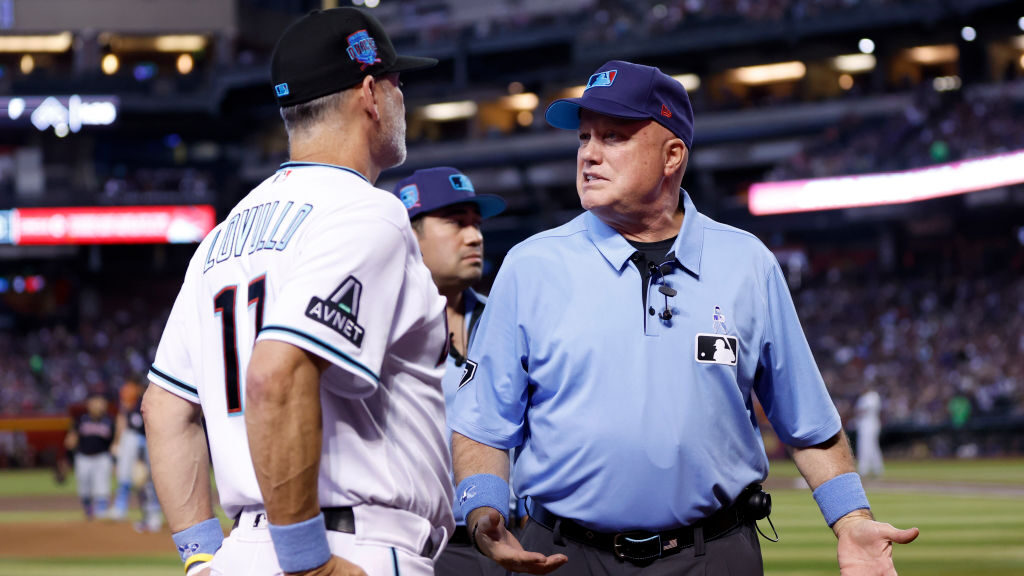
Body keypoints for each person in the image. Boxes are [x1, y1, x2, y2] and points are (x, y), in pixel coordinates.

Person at [448, 60, 919, 575]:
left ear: (672, 154)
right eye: (584, 137)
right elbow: (482, 421)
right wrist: (483, 508)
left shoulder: (747, 263)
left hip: (713, 553)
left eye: (614, 136)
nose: (589, 154)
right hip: (566, 555)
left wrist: (851, 520)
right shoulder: (530, 265)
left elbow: (807, 422)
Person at [142, 8, 453, 576]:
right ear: (370, 94)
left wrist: (200, 556)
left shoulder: (222, 234)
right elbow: (274, 375)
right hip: (345, 545)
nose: (401, 98)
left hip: (243, 554)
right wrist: (311, 563)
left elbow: (164, 406)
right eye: (397, 83)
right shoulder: (368, 212)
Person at [392, 167, 509, 576]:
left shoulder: (507, 318)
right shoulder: (380, 328)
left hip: (512, 539)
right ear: (410, 235)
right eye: (456, 223)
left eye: (476, 224)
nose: (474, 236)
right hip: (422, 546)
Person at [65, 391, 114, 520]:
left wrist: (115, 461)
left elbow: (114, 442)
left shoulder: (109, 420)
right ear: (89, 404)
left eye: (101, 402)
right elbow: (72, 438)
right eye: (96, 402)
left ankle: (101, 513)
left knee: (102, 487)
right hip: (83, 458)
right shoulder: (81, 419)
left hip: (102, 457)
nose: (99, 405)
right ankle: (89, 511)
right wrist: (66, 459)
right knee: (84, 489)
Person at [854, 387, 884, 478]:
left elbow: (864, 410)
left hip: (870, 424)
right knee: (872, 447)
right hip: (865, 424)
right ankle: (877, 469)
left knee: (865, 447)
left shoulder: (872, 396)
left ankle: (864, 469)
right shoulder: (863, 397)